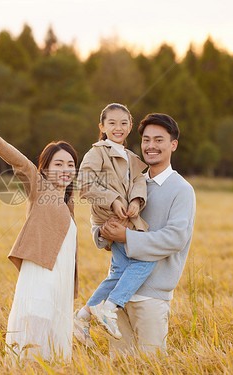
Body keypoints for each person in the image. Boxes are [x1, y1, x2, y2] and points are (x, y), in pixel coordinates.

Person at [0, 114, 79, 362]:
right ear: (45, 169)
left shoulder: (69, 203)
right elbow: (22, 164)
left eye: (70, 164)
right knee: (35, 329)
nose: (66, 169)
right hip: (41, 277)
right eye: (58, 164)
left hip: (61, 283)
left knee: (54, 342)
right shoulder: (40, 188)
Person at [95, 113, 196, 355]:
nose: (151, 146)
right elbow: (100, 216)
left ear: (173, 145)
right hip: (116, 295)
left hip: (151, 296)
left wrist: (126, 237)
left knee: (152, 364)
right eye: (146, 140)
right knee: (118, 365)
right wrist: (102, 231)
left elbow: (175, 238)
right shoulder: (129, 182)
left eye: (159, 140)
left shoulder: (181, 190)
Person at [73, 103, 156, 346]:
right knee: (146, 260)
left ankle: (83, 316)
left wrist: (136, 200)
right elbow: (85, 184)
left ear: (130, 126)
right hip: (110, 221)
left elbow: (140, 181)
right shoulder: (97, 153)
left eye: (123, 123)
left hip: (127, 218)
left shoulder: (132, 157)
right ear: (102, 127)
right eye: (112, 123)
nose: (118, 128)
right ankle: (109, 306)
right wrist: (114, 200)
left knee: (119, 271)